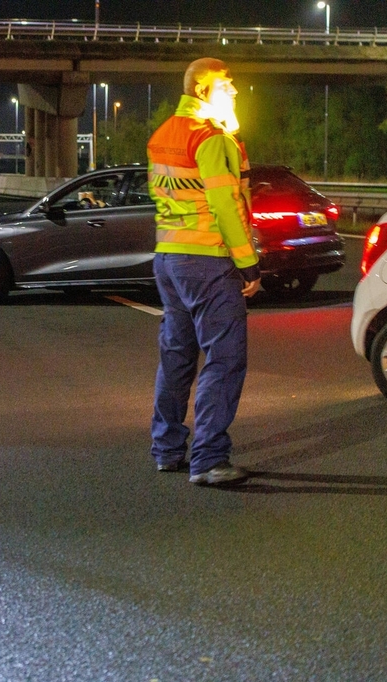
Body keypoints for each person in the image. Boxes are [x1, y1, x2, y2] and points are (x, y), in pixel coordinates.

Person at [147, 57, 261, 487]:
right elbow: (225, 206)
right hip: (207, 260)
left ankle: (168, 449)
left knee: (177, 356)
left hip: (168, 257)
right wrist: (247, 261)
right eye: (225, 85)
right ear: (201, 91)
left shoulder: (163, 136)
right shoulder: (209, 139)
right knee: (226, 357)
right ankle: (209, 459)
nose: (233, 91)